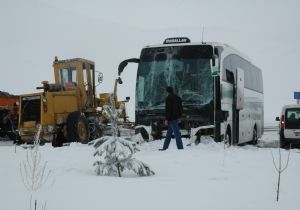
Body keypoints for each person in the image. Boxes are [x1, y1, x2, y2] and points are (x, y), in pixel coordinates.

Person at [159, 86, 184, 150]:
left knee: (177, 134)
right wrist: (180, 117)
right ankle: (164, 148)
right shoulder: (178, 98)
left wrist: (166, 119)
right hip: (176, 118)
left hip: (172, 119)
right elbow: (181, 108)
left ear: (167, 92)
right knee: (169, 134)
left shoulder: (168, 98)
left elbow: (168, 110)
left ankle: (180, 148)